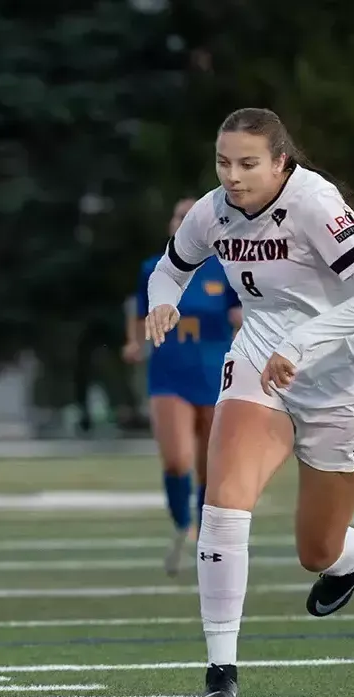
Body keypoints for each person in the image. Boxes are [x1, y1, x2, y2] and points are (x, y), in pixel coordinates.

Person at [142, 108, 354, 697]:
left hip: (345, 382)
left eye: (247, 164)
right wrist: (163, 304)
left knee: (315, 551)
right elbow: (171, 269)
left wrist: (304, 342)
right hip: (260, 362)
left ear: (281, 163)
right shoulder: (211, 211)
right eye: (223, 162)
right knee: (224, 506)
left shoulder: (315, 201)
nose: (232, 177)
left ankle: (353, 554)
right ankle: (220, 673)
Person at [122, 198, 242, 576]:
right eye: (179, 216)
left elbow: (240, 317)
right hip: (169, 374)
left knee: (210, 468)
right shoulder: (153, 269)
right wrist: (134, 342)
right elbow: (139, 311)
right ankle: (181, 526)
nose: (185, 222)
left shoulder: (225, 270)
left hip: (213, 373)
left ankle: (204, 536)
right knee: (176, 459)